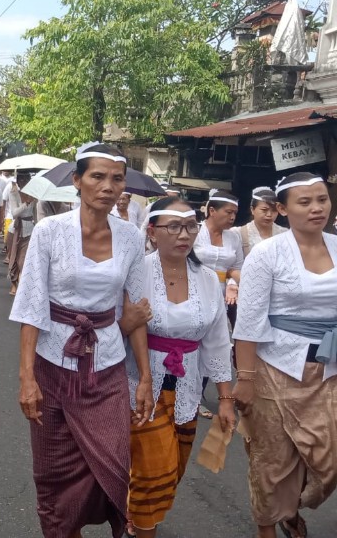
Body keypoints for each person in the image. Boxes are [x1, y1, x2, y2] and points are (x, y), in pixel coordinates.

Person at [10, 142, 154, 538]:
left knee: (112, 465)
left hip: (105, 365)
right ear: (77, 181)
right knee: (54, 477)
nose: (108, 186)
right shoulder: (49, 231)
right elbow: (31, 306)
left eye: (117, 178)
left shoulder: (129, 237)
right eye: (97, 176)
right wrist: (27, 378)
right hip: (52, 364)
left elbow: (136, 309)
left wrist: (144, 377)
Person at [122, 197, 236, 538]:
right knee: (155, 467)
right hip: (141, 383)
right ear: (153, 232)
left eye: (189, 226)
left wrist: (225, 399)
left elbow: (217, 339)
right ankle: (142, 527)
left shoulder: (206, 279)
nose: (183, 234)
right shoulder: (136, 272)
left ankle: (137, 513)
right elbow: (116, 327)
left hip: (188, 386)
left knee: (174, 470)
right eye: (173, 227)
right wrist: (126, 322)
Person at [232, 172, 337, 538]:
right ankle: (268, 528)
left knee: (329, 456)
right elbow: (248, 321)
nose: (316, 208)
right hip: (274, 368)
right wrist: (244, 379)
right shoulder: (266, 254)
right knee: (271, 459)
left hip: (328, 371)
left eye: (322, 199)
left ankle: (290, 506)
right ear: (282, 209)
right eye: (304, 202)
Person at [235, 186, 287, 258]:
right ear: (252, 209)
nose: (269, 215)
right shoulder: (238, 233)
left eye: (274, 211)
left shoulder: (284, 233)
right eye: (264, 210)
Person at [6, 174, 35, 295]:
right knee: (14, 257)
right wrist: (26, 203)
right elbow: (14, 213)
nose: (23, 181)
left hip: (30, 229)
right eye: (20, 179)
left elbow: (36, 213)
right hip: (16, 229)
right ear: (17, 181)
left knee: (23, 260)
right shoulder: (13, 193)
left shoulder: (35, 194)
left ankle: (23, 285)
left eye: (25, 179)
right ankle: (14, 283)